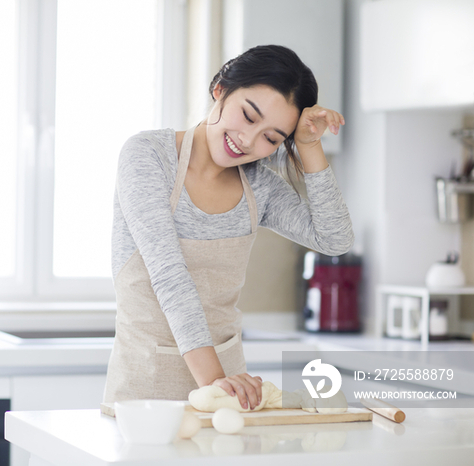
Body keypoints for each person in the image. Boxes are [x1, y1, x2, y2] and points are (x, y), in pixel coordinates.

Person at [103, 45, 354, 410]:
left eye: (271, 138)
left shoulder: (260, 187)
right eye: (248, 116)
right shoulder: (147, 156)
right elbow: (170, 275)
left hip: (231, 395)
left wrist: (309, 146)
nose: (249, 141)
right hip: (147, 393)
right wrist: (215, 384)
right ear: (220, 89)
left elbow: (334, 239)